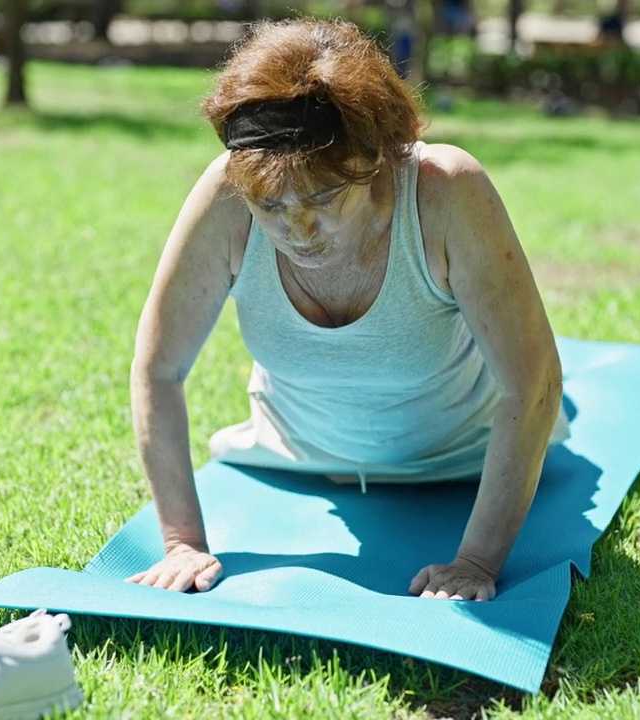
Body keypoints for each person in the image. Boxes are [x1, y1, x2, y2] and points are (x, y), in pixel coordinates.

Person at [127, 18, 568, 602]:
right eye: (271, 205)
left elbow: (533, 385)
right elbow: (158, 371)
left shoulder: (446, 191)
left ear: (378, 158)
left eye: (325, 197)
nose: (298, 230)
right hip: (296, 458)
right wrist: (182, 543)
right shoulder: (226, 196)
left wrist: (476, 561)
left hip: (461, 457)